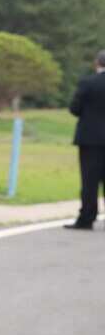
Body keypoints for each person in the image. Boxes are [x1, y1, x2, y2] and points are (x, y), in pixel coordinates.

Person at [65, 50, 105, 230]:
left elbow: (74, 108)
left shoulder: (87, 83)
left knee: (89, 181)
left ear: (97, 63)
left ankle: (87, 217)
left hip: (90, 138)